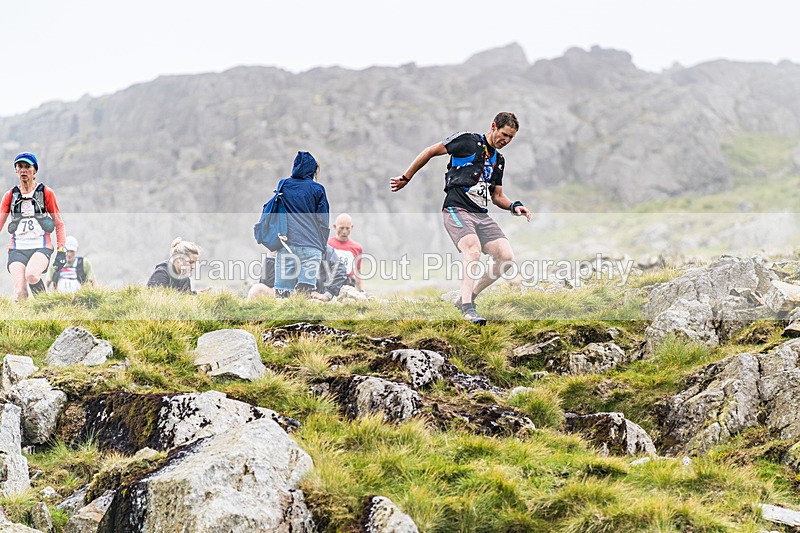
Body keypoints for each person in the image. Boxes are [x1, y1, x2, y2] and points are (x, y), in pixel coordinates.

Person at [390, 112, 532, 325]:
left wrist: (514, 206)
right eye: (504, 134)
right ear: (493, 126)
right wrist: (406, 177)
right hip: (456, 208)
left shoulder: (499, 161)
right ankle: (468, 309)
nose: (506, 141)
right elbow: (430, 151)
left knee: (506, 258)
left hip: (480, 214)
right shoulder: (468, 141)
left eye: (511, 138)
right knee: (472, 251)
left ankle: (467, 298)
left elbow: (497, 197)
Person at [0, 152, 66, 301]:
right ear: (16, 170)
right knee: (20, 292)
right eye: (20, 167)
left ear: (34, 170)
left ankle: (45, 308)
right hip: (17, 248)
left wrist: (61, 250)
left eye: (27, 167)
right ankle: (21, 321)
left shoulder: (46, 193)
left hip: (41, 246)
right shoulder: (10, 195)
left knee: (32, 275)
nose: (23, 170)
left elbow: (59, 224)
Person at [272, 151, 330, 296]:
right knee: (305, 294)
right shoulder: (318, 189)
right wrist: (321, 246)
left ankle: (281, 318)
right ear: (312, 169)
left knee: (282, 294)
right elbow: (323, 222)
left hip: (287, 245)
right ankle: (303, 318)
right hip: (311, 247)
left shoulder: (283, 185)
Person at [248, 245, 348, 301]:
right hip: (284, 296)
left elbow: (340, 270)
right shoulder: (283, 246)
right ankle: (249, 329)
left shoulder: (322, 247)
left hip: (310, 297)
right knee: (257, 289)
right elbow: (266, 283)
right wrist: (271, 256)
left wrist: (327, 294)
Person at [327, 213, 364, 290]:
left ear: (352, 227)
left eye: (347, 228)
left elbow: (358, 271)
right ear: (335, 227)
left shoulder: (357, 248)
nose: (344, 231)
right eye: (341, 228)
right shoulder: (327, 244)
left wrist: (361, 290)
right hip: (330, 282)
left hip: (348, 284)